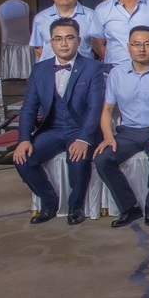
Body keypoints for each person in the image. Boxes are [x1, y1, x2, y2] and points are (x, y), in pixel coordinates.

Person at [14, 18, 106, 225]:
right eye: (58, 39)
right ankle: (49, 203)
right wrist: (24, 139)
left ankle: (76, 207)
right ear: (51, 42)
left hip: (80, 129)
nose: (64, 43)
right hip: (52, 130)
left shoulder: (93, 68)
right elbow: (29, 108)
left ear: (78, 40)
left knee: (78, 160)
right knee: (22, 160)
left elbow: (95, 108)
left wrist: (84, 138)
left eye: (69, 38)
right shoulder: (39, 70)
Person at [93, 26, 149, 227]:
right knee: (102, 159)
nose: (142, 49)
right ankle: (129, 208)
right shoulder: (117, 73)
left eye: (147, 44)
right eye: (136, 44)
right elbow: (107, 109)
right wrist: (108, 136)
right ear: (128, 47)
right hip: (129, 132)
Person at [30, 0, 100, 62]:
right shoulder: (40, 18)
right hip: (51, 68)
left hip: (84, 68)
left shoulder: (92, 16)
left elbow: (100, 46)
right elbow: (38, 48)